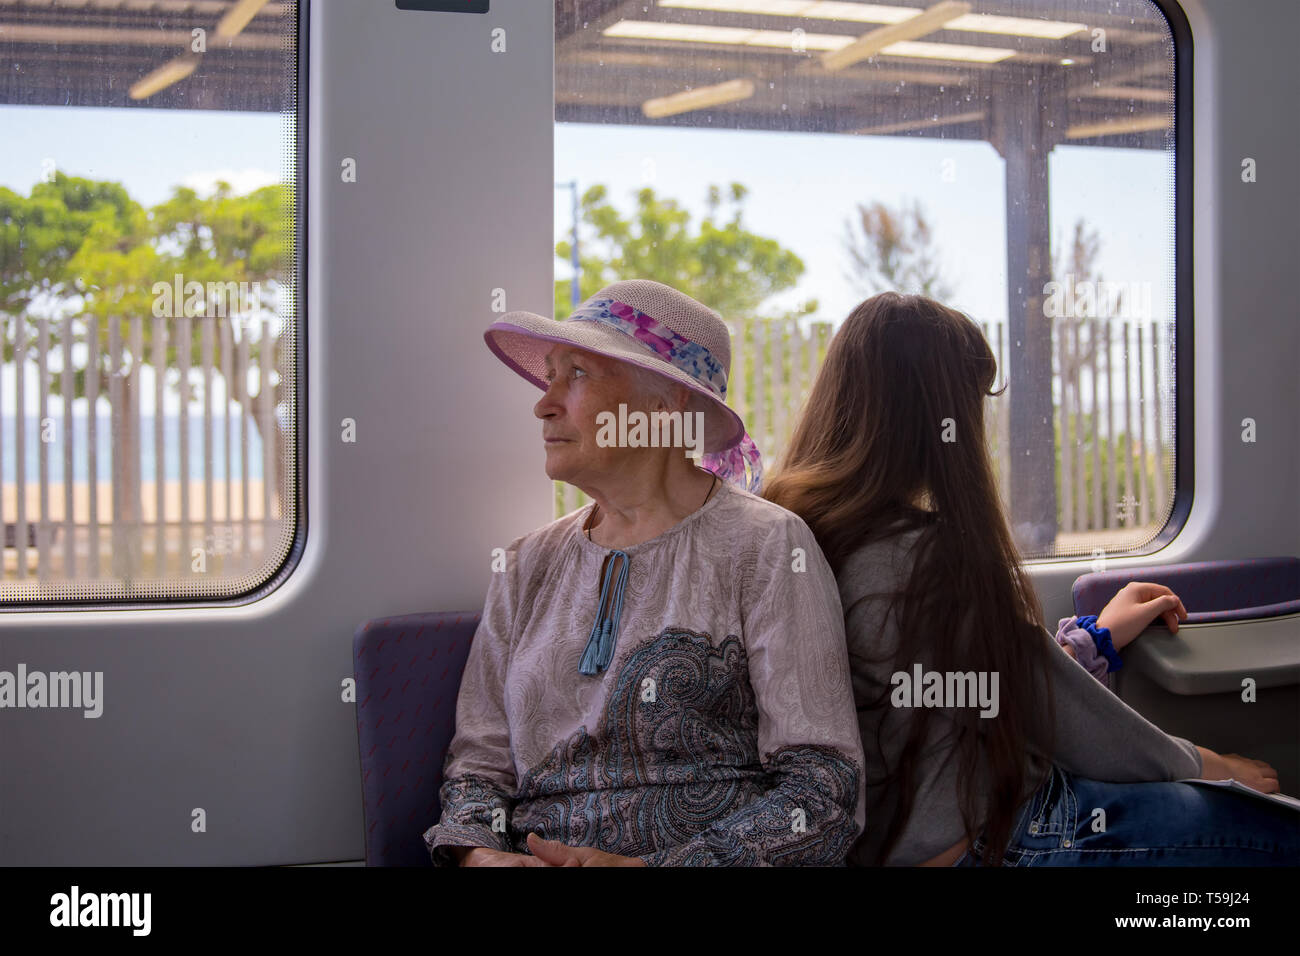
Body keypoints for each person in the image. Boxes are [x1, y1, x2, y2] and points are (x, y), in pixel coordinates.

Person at [763, 291, 1299, 866]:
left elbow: (976, 680)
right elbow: (1063, 719)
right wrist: (1210, 766)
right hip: (1001, 834)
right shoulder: (927, 559)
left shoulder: (792, 529)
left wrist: (1095, 638)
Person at [423, 279, 865, 866]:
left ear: (667, 405)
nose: (543, 402)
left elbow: (822, 791)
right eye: (549, 375)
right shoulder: (524, 565)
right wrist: (483, 858)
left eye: (576, 373)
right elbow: (479, 769)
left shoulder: (767, 547)